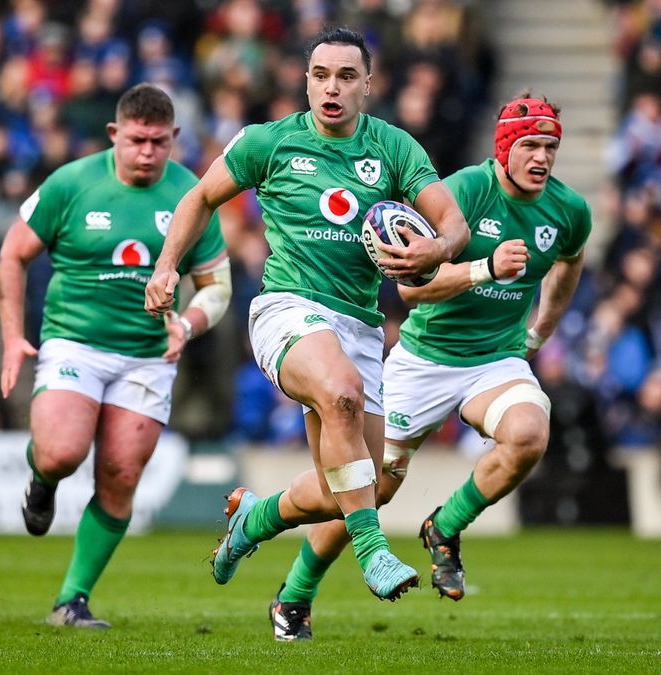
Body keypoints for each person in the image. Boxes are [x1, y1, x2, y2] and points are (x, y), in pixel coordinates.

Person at [144, 27, 470, 601]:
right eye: (321, 75)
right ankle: (374, 553)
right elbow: (198, 197)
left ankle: (256, 517)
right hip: (286, 310)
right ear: (306, 82)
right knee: (341, 394)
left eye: (347, 76)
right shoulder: (267, 143)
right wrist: (168, 267)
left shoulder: (394, 148)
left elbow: (454, 225)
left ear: (368, 86)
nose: (333, 87)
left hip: (360, 325)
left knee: (362, 486)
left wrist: (436, 250)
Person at [266, 93, 589, 640]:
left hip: (496, 360)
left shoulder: (567, 209)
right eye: (530, 145)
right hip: (423, 360)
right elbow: (411, 288)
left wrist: (541, 330)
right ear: (505, 147)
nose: (541, 157)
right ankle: (294, 595)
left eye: (550, 147)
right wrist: (484, 269)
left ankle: (445, 526)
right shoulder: (464, 191)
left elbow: (570, 259)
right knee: (371, 489)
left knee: (530, 433)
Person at [0, 83, 231, 629]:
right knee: (60, 453)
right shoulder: (72, 183)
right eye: (136, 140)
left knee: (122, 473)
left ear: (175, 137)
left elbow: (216, 286)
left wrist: (189, 323)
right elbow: (12, 255)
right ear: (114, 134)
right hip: (75, 340)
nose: (147, 152)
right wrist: (13, 337)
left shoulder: (193, 196)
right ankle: (42, 480)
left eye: (159, 142)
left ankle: (71, 600)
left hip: (148, 355)